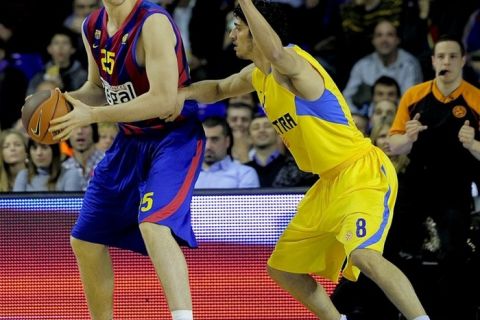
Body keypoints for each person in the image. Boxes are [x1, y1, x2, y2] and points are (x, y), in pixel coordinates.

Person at [170, 1, 430, 319]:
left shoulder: (294, 65)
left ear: (257, 29)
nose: (231, 35)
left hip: (360, 172)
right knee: (284, 268)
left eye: (235, 27)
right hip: (328, 184)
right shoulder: (257, 76)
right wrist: (177, 93)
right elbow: (220, 87)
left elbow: (277, 53)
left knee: (363, 255)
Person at [48, 1, 205, 320]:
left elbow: (162, 99)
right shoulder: (91, 25)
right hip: (129, 140)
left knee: (154, 224)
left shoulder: (153, 23)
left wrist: (93, 115)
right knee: (85, 240)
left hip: (173, 138)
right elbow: (96, 88)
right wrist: (60, 104)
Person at [388, 34, 480, 319]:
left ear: (463, 60)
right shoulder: (414, 95)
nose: (446, 61)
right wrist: (408, 138)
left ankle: (454, 313)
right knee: (400, 248)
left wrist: (474, 144)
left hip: (457, 184)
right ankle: (407, 311)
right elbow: (393, 145)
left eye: (453, 56)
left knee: (453, 255)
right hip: (417, 181)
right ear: (432, 61)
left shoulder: (476, 98)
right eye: (441, 56)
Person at [194, 116, 259, 189]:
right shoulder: (185, 175)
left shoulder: (245, 174)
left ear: (227, 141)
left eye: (215, 139)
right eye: (204, 139)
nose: (208, 146)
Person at [13, 140, 83, 191]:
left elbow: (70, 209)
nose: (39, 153)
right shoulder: (23, 175)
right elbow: (16, 209)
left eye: (44, 147)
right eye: (34, 148)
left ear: (54, 151)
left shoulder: (70, 175)